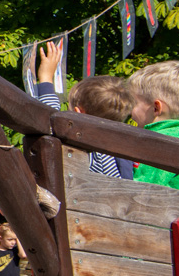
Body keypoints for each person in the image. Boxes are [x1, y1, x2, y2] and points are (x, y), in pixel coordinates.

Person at [36, 39, 134, 178]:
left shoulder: (87, 147)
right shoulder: (118, 149)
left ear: (79, 113)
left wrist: (45, 78)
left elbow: (50, 120)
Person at [129, 60, 179, 190]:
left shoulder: (162, 145)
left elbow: (143, 189)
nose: (129, 109)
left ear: (156, 108)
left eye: (134, 102)